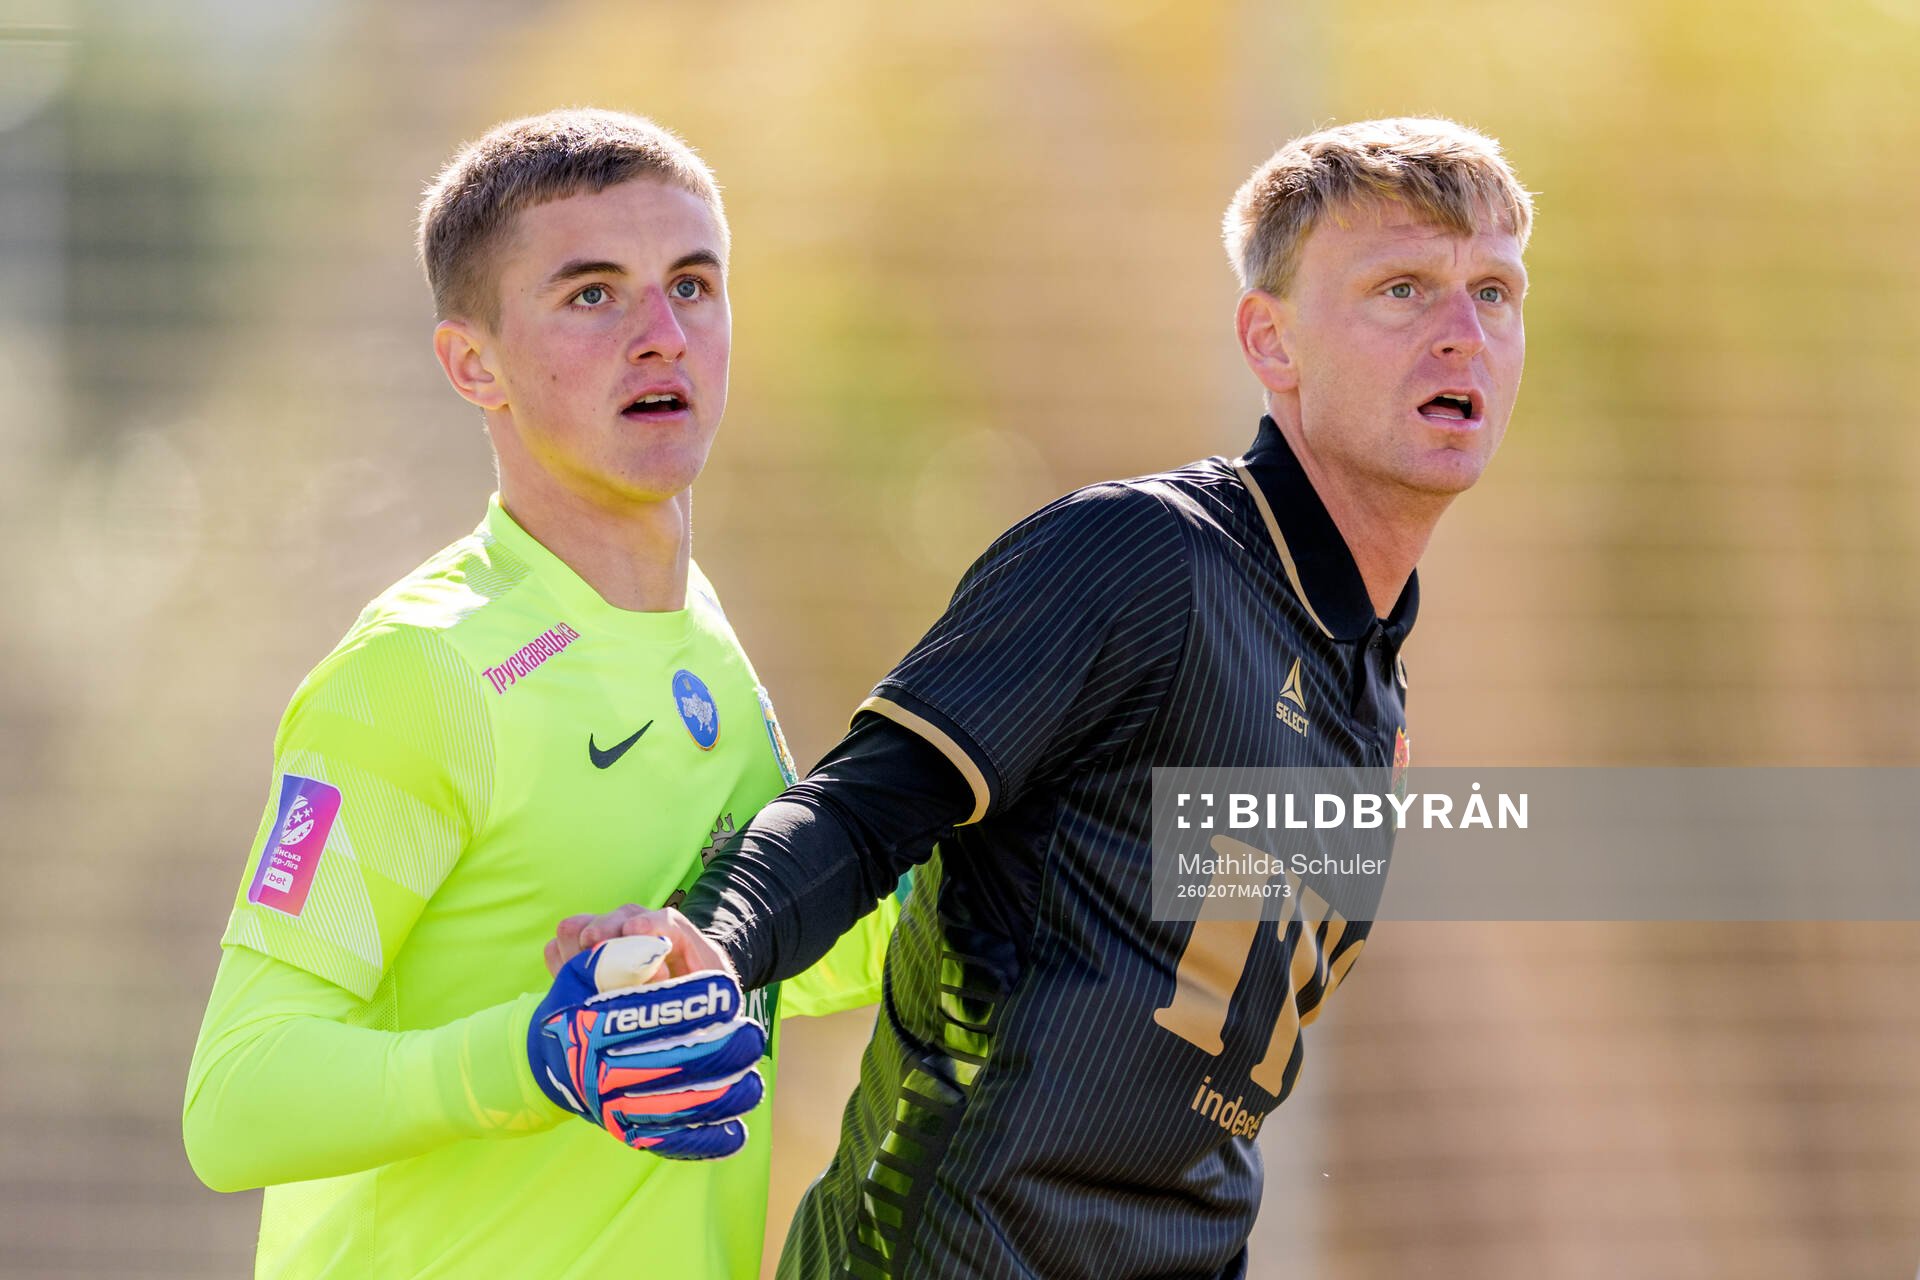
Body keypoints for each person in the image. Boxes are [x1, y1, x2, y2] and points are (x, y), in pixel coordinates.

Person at [553, 117, 1534, 1278]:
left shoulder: (1370, 693)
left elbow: (1190, 1106)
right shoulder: (1140, 559)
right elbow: (864, 806)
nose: (1462, 334)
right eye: (1403, 289)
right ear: (1269, 341)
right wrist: (711, 938)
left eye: (1495, 292)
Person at [181, 108, 898, 1280]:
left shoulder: (696, 632)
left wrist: (1066, 863)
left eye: (694, 285)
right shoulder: (421, 674)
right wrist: (535, 1056)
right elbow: (236, 1099)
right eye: (593, 294)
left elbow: (755, 957)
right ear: (475, 364)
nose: (663, 334)